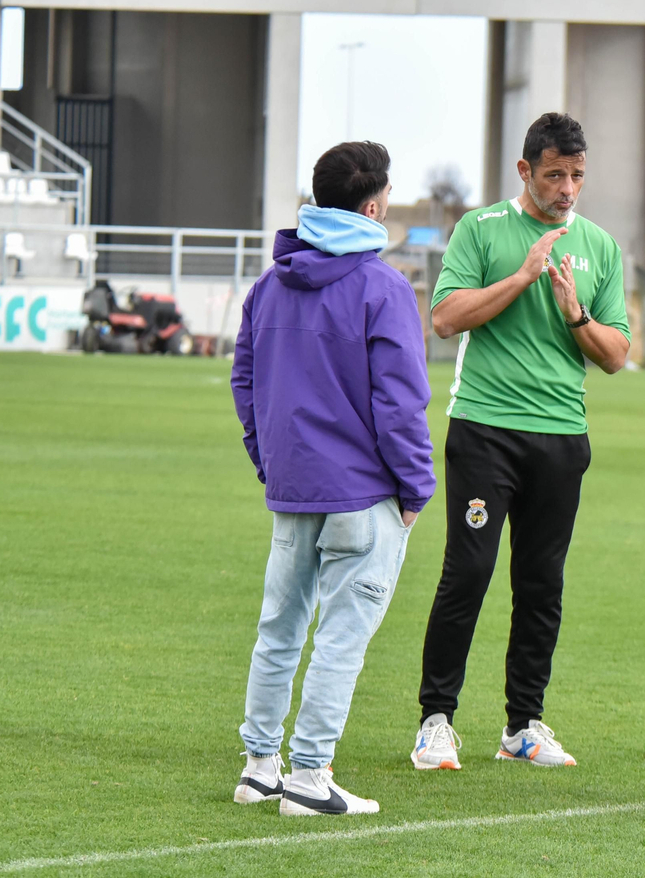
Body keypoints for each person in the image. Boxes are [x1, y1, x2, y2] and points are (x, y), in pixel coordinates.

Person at [411, 112, 630, 771]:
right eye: (555, 175)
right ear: (525, 171)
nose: (567, 188)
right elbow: (445, 318)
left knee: (542, 582)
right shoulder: (481, 230)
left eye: (578, 176)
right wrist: (522, 276)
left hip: (562, 436)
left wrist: (576, 314)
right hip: (485, 430)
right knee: (470, 570)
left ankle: (522, 726)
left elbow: (616, 354)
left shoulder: (600, 245)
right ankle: (436, 719)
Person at [230, 141, 435, 816]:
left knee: (279, 629)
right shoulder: (383, 288)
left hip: (295, 489)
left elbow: (246, 382)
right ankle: (310, 777)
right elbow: (399, 401)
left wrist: (269, 461)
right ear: (374, 206)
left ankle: (260, 767)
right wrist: (416, 489)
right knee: (340, 638)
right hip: (363, 495)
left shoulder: (267, 286)